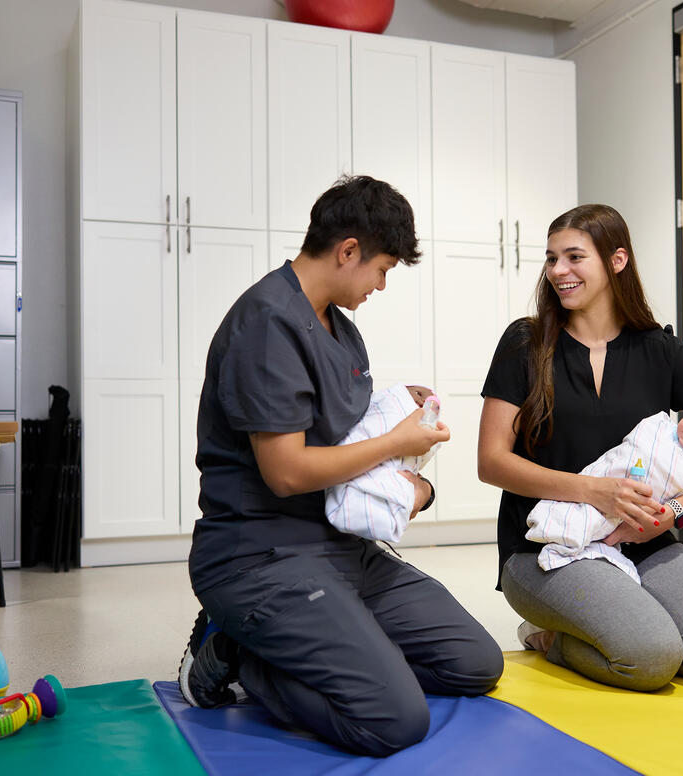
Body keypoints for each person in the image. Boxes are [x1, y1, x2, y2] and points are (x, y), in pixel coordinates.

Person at [180, 176, 504, 756]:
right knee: (393, 720)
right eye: (381, 269)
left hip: (337, 547)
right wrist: (394, 443)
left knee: (475, 664)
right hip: (258, 557)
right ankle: (242, 656)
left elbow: (342, 430)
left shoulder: (340, 329)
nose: (381, 285)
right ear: (348, 250)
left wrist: (400, 410)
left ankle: (333, 644)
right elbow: (286, 472)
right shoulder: (267, 323)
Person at [477, 203, 683, 692]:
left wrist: (672, 511)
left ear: (617, 260)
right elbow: (491, 462)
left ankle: (618, 621)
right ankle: (547, 637)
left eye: (573, 257)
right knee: (649, 656)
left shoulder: (661, 349)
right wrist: (594, 492)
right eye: (551, 259)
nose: (558, 271)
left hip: (638, 543)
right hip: (544, 549)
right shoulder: (525, 342)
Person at [526, 401, 683, 583]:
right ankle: (559, 525)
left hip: (633, 517)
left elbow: (672, 486)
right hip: (602, 481)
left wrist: (673, 511)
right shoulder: (659, 427)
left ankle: (573, 536)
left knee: (600, 525)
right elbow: (631, 446)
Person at [325, 384, 442, 543]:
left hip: (357, 540)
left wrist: (426, 492)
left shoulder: (356, 366)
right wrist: (396, 442)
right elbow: (290, 475)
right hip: (311, 534)